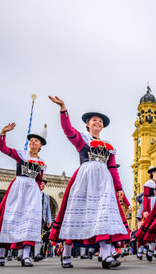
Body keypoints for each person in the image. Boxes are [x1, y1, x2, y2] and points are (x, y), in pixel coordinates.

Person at [48, 95, 129, 269]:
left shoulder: (109, 146)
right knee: (77, 214)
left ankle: (107, 256)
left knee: (103, 215)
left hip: (104, 182)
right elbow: (68, 130)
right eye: (94, 120)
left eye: (100, 121)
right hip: (85, 178)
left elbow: (113, 168)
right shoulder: (82, 139)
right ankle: (67, 252)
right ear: (88, 124)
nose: (97, 122)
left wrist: (119, 188)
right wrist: (63, 108)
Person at [0, 123, 48, 267]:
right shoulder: (21, 154)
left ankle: (25, 256)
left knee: (30, 220)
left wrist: (39, 186)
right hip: (18, 187)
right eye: (31, 140)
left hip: (32, 190)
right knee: (9, 218)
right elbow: (3, 149)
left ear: (41, 145)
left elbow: (39, 178)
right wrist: (3, 133)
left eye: (36, 140)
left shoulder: (42, 163)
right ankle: (0, 254)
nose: (32, 142)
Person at [34, 179, 52, 262]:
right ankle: (21, 254)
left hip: (41, 219)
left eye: (44, 184)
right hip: (32, 217)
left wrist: (49, 220)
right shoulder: (33, 194)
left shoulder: (46, 196)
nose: (43, 185)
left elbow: (48, 209)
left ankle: (36, 254)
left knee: (39, 236)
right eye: (41, 183)